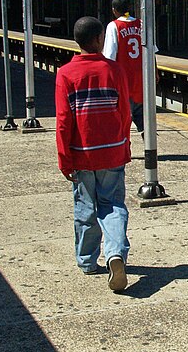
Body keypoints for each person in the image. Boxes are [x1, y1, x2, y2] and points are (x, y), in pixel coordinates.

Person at [56, 16, 133, 292]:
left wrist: (64, 159)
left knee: (85, 208)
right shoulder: (114, 70)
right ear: (99, 39)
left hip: (81, 155)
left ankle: (88, 261)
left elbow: (64, 121)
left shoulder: (65, 74)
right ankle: (115, 254)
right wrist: (124, 144)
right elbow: (124, 113)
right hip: (111, 152)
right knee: (112, 206)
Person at [102, 0, 145, 134]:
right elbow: (151, 51)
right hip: (140, 81)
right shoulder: (141, 24)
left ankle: (125, 149)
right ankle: (150, 149)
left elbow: (110, 57)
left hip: (122, 81)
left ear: (114, 10)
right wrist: (155, 71)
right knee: (143, 119)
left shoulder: (113, 26)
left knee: (122, 118)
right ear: (129, 8)